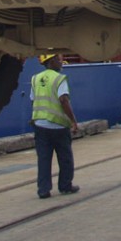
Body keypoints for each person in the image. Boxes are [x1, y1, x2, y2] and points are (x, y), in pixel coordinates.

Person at [30, 52, 80, 199]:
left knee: (44, 159)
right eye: (59, 60)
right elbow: (63, 100)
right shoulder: (59, 79)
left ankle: (43, 190)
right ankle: (65, 186)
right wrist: (73, 121)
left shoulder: (35, 79)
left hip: (40, 125)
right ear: (51, 62)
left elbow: (33, 100)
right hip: (58, 126)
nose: (61, 62)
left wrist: (35, 118)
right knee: (65, 158)